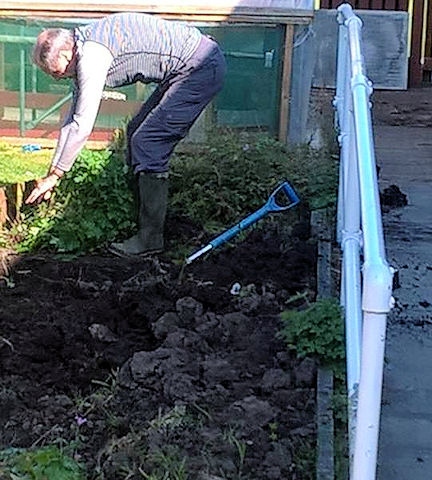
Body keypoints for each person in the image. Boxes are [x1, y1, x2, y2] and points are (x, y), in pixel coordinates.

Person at [27, 12, 227, 256]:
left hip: (200, 67)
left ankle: (150, 239)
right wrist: (53, 171)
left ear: (67, 54)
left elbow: (82, 123)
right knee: (136, 132)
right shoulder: (83, 46)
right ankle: (141, 221)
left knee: (148, 141)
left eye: (56, 73)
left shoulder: (92, 54)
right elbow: (71, 122)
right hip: (188, 68)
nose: (56, 78)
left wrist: (58, 174)